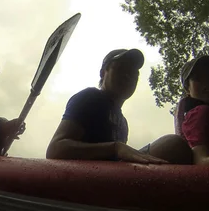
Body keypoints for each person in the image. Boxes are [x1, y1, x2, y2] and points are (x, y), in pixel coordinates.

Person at [47, 48, 192, 164]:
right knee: (173, 146)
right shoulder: (90, 98)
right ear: (103, 73)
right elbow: (55, 150)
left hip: (115, 179)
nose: (128, 76)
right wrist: (115, 148)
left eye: (134, 73)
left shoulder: (122, 122)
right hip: (86, 181)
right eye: (121, 69)